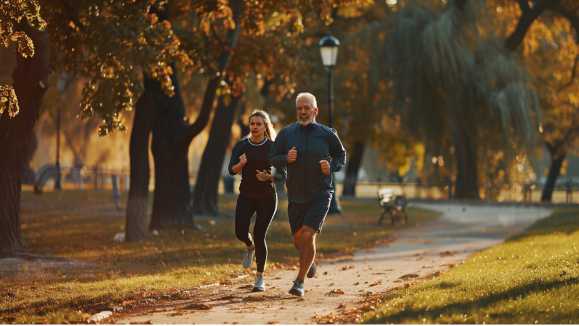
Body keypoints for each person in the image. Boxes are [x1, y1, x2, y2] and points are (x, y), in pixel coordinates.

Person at [269, 92, 347, 296]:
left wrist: (331, 166)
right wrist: (286, 158)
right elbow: (273, 157)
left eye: (307, 108)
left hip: (321, 192)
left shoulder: (327, 133)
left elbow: (341, 155)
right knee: (298, 240)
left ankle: (299, 282)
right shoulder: (286, 133)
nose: (303, 112)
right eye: (300, 108)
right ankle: (309, 260)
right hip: (295, 194)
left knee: (307, 234)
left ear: (315, 110)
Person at [228, 110, 278, 292]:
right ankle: (250, 247)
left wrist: (269, 177)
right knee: (240, 231)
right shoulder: (242, 145)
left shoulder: (273, 147)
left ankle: (259, 278)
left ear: (265, 127)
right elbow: (231, 170)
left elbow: (282, 174)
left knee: (259, 234)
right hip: (247, 196)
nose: (255, 127)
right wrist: (241, 164)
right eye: (252, 124)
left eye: (259, 124)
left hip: (267, 198)